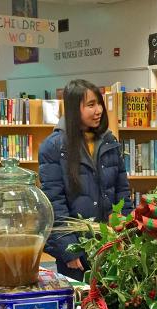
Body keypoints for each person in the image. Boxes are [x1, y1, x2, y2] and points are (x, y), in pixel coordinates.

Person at [39, 79, 133, 281]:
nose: (98, 110)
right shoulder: (53, 147)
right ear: (74, 109)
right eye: (91, 105)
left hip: (111, 244)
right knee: (81, 307)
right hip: (78, 250)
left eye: (99, 103)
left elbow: (122, 192)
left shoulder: (109, 142)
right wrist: (69, 250)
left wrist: (125, 232)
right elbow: (54, 204)